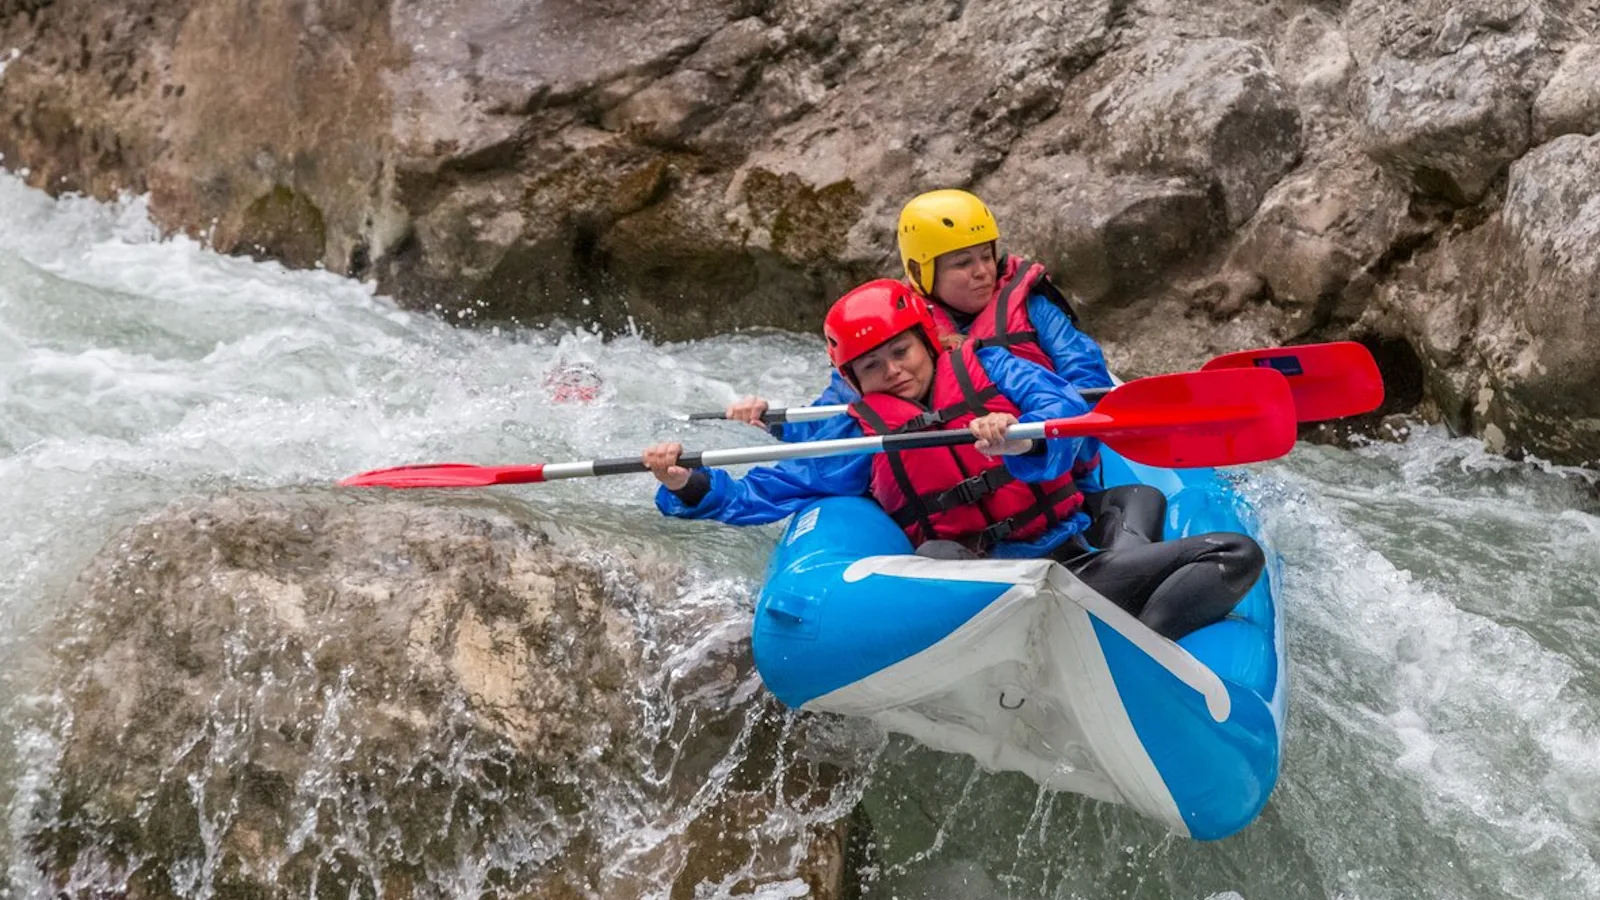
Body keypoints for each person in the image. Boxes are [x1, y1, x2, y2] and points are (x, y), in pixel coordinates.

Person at [648, 280, 1265, 640]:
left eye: (901, 353)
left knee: (1228, 550)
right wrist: (689, 483)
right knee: (935, 560)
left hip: (1074, 565)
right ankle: (1101, 631)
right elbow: (774, 489)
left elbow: (1067, 417)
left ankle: (1135, 648)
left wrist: (1020, 441)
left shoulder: (992, 368)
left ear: (926, 340)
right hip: (989, 590)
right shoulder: (860, 432)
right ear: (853, 381)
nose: (893, 371)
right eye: (872, 367)